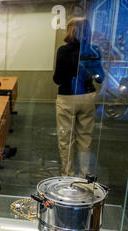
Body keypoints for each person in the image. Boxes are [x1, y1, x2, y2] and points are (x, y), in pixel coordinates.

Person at [53, 17, 104, 177]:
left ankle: (67, 176)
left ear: (70, 30)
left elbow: (57, 79)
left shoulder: (63, 50)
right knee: (85, 139)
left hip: (67, 98)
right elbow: (100, 77)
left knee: (66, 140)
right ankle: (83, 177)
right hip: (87, 96)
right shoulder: (93, 49)